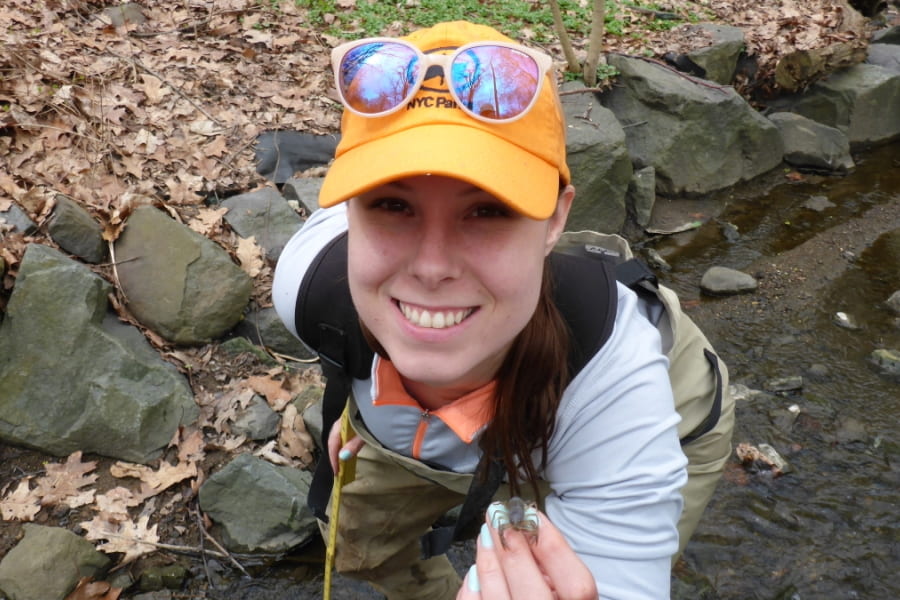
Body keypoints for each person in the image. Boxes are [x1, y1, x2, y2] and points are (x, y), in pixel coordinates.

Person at [274, 20, 695, 600]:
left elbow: (625, 578)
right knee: (359, 546)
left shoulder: (616, 378)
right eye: (393, 204)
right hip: (439, 424)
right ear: (348, 211)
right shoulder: (304, 284)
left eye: (488, 211)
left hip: (617, 404)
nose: (432, 266)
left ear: (555, 219)